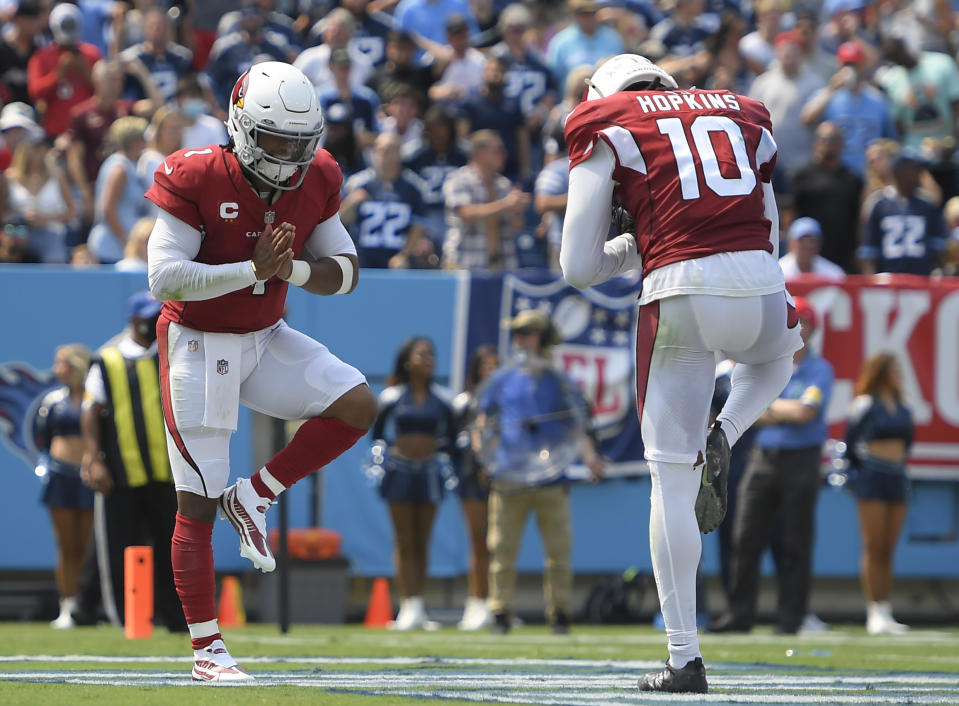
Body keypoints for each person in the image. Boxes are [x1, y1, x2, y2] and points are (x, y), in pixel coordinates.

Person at [561, 54, 804, 693]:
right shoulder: (742, 109)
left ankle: (683, 658)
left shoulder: (606, 119)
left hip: (679, 290)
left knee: (670, 481)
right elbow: (771, 232)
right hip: (759, 283)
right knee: (779, 358)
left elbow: (577, 267)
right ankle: (726, 430)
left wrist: (632, 245)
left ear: (601, 94)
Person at [145, 61, 377, 682]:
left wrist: (290, 272)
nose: (290, 155)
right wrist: (251, 270)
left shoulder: (319, 175)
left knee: (356, 403)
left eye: (301, 143)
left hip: (265, 333)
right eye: (277, 140)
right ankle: (207, 653)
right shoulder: (194, 172)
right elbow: (163, 277)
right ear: (244, 128)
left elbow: (347, 270)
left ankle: (254, 495)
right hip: (198, 341)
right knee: (195, 503)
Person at [707, 297, 833, 635]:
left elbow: (804, 413)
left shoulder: (819, 370)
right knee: (744, 538)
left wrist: (766, 408)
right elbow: (752, 412)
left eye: (805, 323)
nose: (800, 329)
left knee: (795, 541)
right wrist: (778, 411)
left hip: (801, 459)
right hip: (762, 459)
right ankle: (739, 614)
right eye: (796, 322)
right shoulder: (766, 366)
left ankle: (791, 618)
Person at [476, 310, 603, 636]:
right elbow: (481, 421)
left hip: (551, 479)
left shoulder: (560, 381)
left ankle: (560, 614)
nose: (519, 340)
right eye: (517, 334)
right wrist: (484, 458)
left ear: (543, 338)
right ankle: (500, 613)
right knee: (501, 549)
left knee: (559, 553)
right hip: (507, 476)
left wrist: (589, 458)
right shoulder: (502, 379)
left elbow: (577, 425)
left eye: (526, 333)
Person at [77, 291, 185, 632]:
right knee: (118, 548)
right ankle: (124, 617)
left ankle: (175, 618)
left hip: (164, 472)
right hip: (121, 473)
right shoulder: (107, 360)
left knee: (172, 548)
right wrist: (93, 458)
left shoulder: (170, 355)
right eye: (151, 317)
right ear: (135, 320)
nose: (156, 323)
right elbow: (91, 411)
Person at [369, 337, 457, 630]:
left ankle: (419, 604)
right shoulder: (392, 396)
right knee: (404, 540)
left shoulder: (444, 399)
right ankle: (407, 606)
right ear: (408, 361)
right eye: (422, 354)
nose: (429, 359)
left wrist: (439, 449)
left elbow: (454, 438)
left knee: (423, 540)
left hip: (430, 472)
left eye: (432, 354)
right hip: (400, 472)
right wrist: (390, 452)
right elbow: (377, 434)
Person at [844, 352, 913, 635]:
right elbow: (850, 445)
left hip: (897, 477)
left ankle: (886, 609)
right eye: (893, 369)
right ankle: (874, 610)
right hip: (872, 477)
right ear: (880, 372)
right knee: (873, 545)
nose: (898, 374)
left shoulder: (903, 407)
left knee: (889, 547)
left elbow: (907, 443)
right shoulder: (864, 405)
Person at [34, 343, 94, 629]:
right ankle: (66, 606)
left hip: (87, 479)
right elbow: (41, 436)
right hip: (59, 477)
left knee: (84, 546)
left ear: (76, 367)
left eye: (61, 363)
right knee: (65, 545)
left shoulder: (94, 399)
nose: (56, 369)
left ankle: (87, 605)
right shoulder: (53, 401)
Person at [452, 344, 498, 630]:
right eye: (486, 364)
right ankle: (475, 602)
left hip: (501, 480)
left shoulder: (505, 401)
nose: (491, 370)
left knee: (498, 545)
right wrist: (475, 467)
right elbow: (456, 444)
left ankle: (497, 604)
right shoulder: (464, 402)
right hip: (472, 480)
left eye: (496, 364)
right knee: (478, 541)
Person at [442, 129, 529, 270]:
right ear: (480, 153)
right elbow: (467, 214)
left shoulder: (503, 184)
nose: (504, 155)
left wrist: (517, 210)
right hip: (465, 262)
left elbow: (517, 226)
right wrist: (506, 204)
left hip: (500, 264)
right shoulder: (458, 179)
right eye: (498, 150)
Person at [340, 132, 429, 268]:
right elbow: (340, 220)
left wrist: (404, 255)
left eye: (388, 151)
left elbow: (418, 226)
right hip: (363, 259)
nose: (383, 155)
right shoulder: (358, 183)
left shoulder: (413, 187)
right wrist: (351, 203)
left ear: (399, 154)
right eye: (379, 150)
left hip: (396, 261)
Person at [859, 150, 947, 275]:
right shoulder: (878, 204)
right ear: (900, 172)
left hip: (921, 280)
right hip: (888, 281)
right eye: (915, 170)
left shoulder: (927, 205)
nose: (919, 175)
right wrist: (873, 282)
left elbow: (939, 251)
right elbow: (869, 252)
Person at [88, 116, 151, 264]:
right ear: (134, 141)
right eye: (143, 138)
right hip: (110, 248)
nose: (146, 142)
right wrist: (126, 241)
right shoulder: (120, 169)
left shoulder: (129, 165)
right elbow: (108, 209)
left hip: (119, 247)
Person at [4, 135, 75, 264]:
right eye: (35, 146)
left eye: (43, 146)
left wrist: (44, 219)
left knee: (54, 262)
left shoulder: (57, 176)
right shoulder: (9, 177)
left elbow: (71, 213)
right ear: (24, 149)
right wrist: (20, 219)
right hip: (16, 236)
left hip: (50, 234)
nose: (40, 150)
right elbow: (3, 211)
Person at [778, 217, 846, 280]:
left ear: (819, 244)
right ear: (791, 243)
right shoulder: (778, 271)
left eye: (812, 241)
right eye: (801, 241)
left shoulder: (834, 273)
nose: (807, 246)